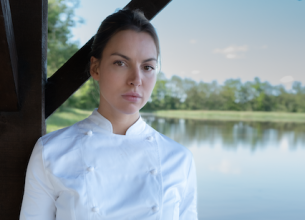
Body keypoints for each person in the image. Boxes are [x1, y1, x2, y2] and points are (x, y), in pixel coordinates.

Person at [20, 9, 198, 220]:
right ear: (95, 68)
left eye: (148, 67)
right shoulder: (51, 152)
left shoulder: (179, 159)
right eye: (121, 63)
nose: (136, 79)